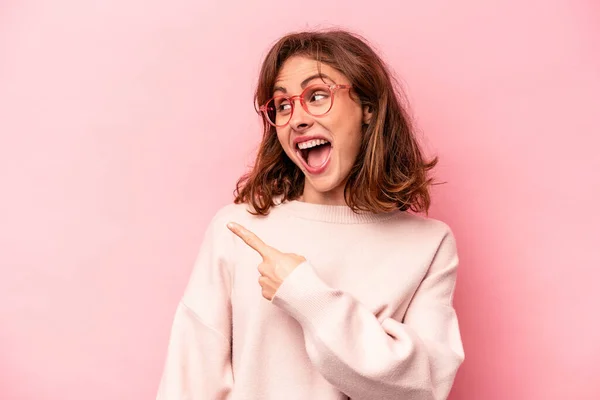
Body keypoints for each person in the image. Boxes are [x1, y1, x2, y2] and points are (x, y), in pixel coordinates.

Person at [156, 29, 465, 400]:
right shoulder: (235, 230)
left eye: (316, 96)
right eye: (283, 105)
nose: (296, 118)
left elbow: (422, 389)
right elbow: (190, 382)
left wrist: (306, 295)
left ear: (368, 108)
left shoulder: (428, 245)